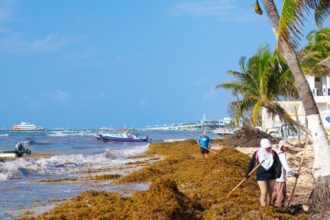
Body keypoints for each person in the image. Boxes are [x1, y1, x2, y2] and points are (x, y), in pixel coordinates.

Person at [246, 138, 282, 207]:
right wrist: (248, 172)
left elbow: (278, 163)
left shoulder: (273, 153)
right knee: (264, 192)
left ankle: (268, 207)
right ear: (262, 147)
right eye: (266, 148)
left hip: (272, 176)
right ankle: (263, 207)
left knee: (270, 193)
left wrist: (279, 172)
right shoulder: (257, 153)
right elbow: (251, 163)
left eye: (269, 147)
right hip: (261, 175)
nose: (268, 149)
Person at [272, 140, 298, 207]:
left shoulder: (276, 154)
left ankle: (268, 204)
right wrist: (294, 174)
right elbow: (286, 166)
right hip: (280, 178)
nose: (288, 148)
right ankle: (280, 208)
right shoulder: (282, 155)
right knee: (281, 194)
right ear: (282, 147)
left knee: (275, 193)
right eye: (286, 147)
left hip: (274, 177)